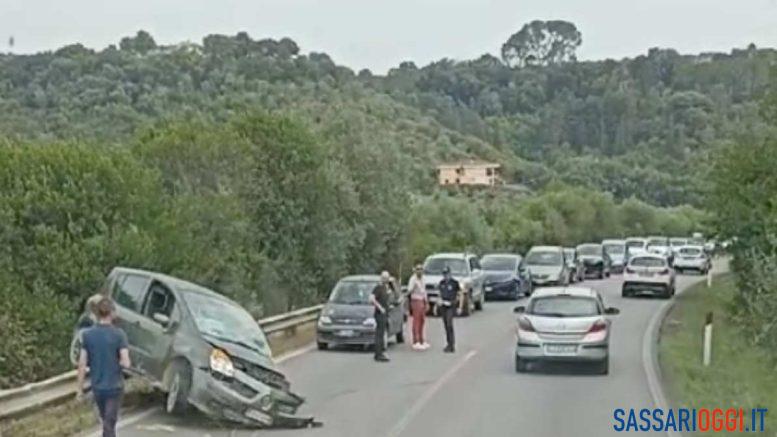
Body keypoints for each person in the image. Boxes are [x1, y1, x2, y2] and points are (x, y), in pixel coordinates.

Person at [77, 297, 131, 437]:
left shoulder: (87, 335)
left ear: (96, 314)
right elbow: (126, 362)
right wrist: (123, 363)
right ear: (112, 313)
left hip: (98, 387)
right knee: (109, 425)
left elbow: (82, 364)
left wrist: (79, 389)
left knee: (106, 423)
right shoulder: (119, 335)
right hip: (114, 387)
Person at [370, 271, 392, 362]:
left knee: (382, 333)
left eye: (387, 278)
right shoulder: (378, 287)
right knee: (379, 334)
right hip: (380, 314)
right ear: (381, 278)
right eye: (384, 277)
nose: (386, 279)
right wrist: (380, 308)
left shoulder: (385, 288)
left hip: (385, 313)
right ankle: (378, 354)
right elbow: (371, 298)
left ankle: (380, 353)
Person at [406, 264, 430, 350]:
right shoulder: (413, 279)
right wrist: (414, 286)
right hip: (415, 300)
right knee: (416, 320)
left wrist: (426, 302)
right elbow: (409, 290)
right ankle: (415, 341)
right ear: (415, 271)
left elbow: (424, 291)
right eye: (418, 269)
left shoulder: (423, 279)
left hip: (422, 299)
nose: (419, 271)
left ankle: (421, 339)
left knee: (422, 320)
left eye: (421, 269)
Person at [438, 266, 461, 353]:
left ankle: (452, 344)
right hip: (443, 305)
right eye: (444, 274)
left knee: (449, 324)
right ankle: (448, 343)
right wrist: (438, 303)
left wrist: (459, 306)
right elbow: (439, 294)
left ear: (450, 273)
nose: (445, 276)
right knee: (445, 325)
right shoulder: (442, 283)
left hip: (451, 305)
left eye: (447, 273)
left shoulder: (454, 283)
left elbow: (459, 295)